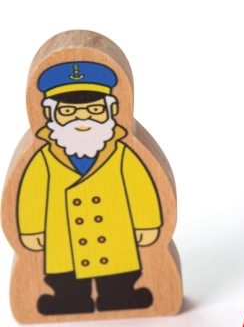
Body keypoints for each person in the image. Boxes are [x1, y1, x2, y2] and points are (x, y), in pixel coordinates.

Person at [17, 61, 162, 314]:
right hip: (63, 237)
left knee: (118, 273)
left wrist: (147, 223)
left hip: (114, 233)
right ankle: (68, 301)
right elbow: (31, 195)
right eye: (68, 111)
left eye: (94, 109)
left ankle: (120, 297)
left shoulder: (121, 153)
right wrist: (31, 229)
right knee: (67, 278)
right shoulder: (44, 158)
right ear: (50, 113)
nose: (82, 117)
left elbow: (142, 189)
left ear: (111, 109)